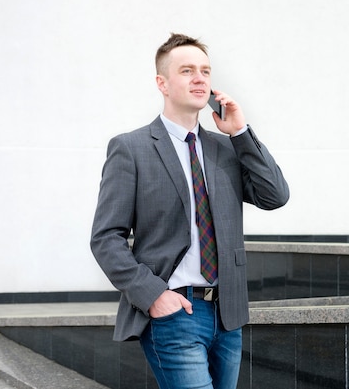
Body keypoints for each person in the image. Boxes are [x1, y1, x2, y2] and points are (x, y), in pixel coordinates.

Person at [90, 33, 290, 389]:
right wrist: (153, 296)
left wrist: (240, 132)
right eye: (187, 70)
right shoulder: (131, 149)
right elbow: (106, 238)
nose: (200, 78)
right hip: (174, 313)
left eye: (205, 71)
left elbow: (274, 195)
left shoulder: (225, 149)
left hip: (228, 314)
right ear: (162, 83)